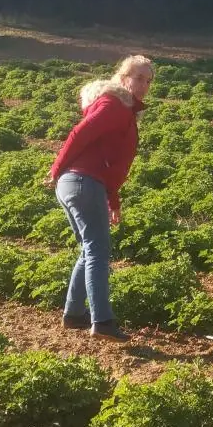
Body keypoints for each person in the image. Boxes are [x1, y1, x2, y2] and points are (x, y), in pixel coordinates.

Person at [44, 55, 153, 339]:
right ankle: (102, 322)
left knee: (89, 249)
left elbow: (110, 163)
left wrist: (112, 201)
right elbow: (80, 133)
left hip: (79, 183)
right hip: (83, 182)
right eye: (138, 78)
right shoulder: (114, 104)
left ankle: (73, 314)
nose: (144, 85)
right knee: (98, 251)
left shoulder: (122, 109)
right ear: (123, 78)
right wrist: (55, 169)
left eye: (148, 81)